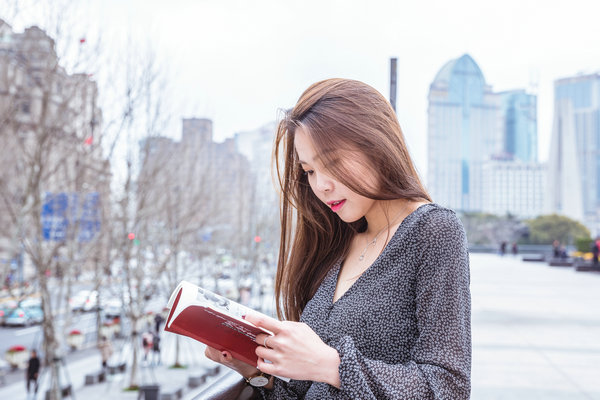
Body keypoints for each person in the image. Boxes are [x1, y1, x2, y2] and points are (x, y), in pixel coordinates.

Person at [205, 78, 471, 398]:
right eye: (310, 171)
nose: (321, 186)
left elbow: (449, 386)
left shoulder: (433, 231)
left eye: (332, 162)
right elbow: (305, 391)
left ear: (377, 145)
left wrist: (331, 364)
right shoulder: (339, 241)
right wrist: (255, 371)